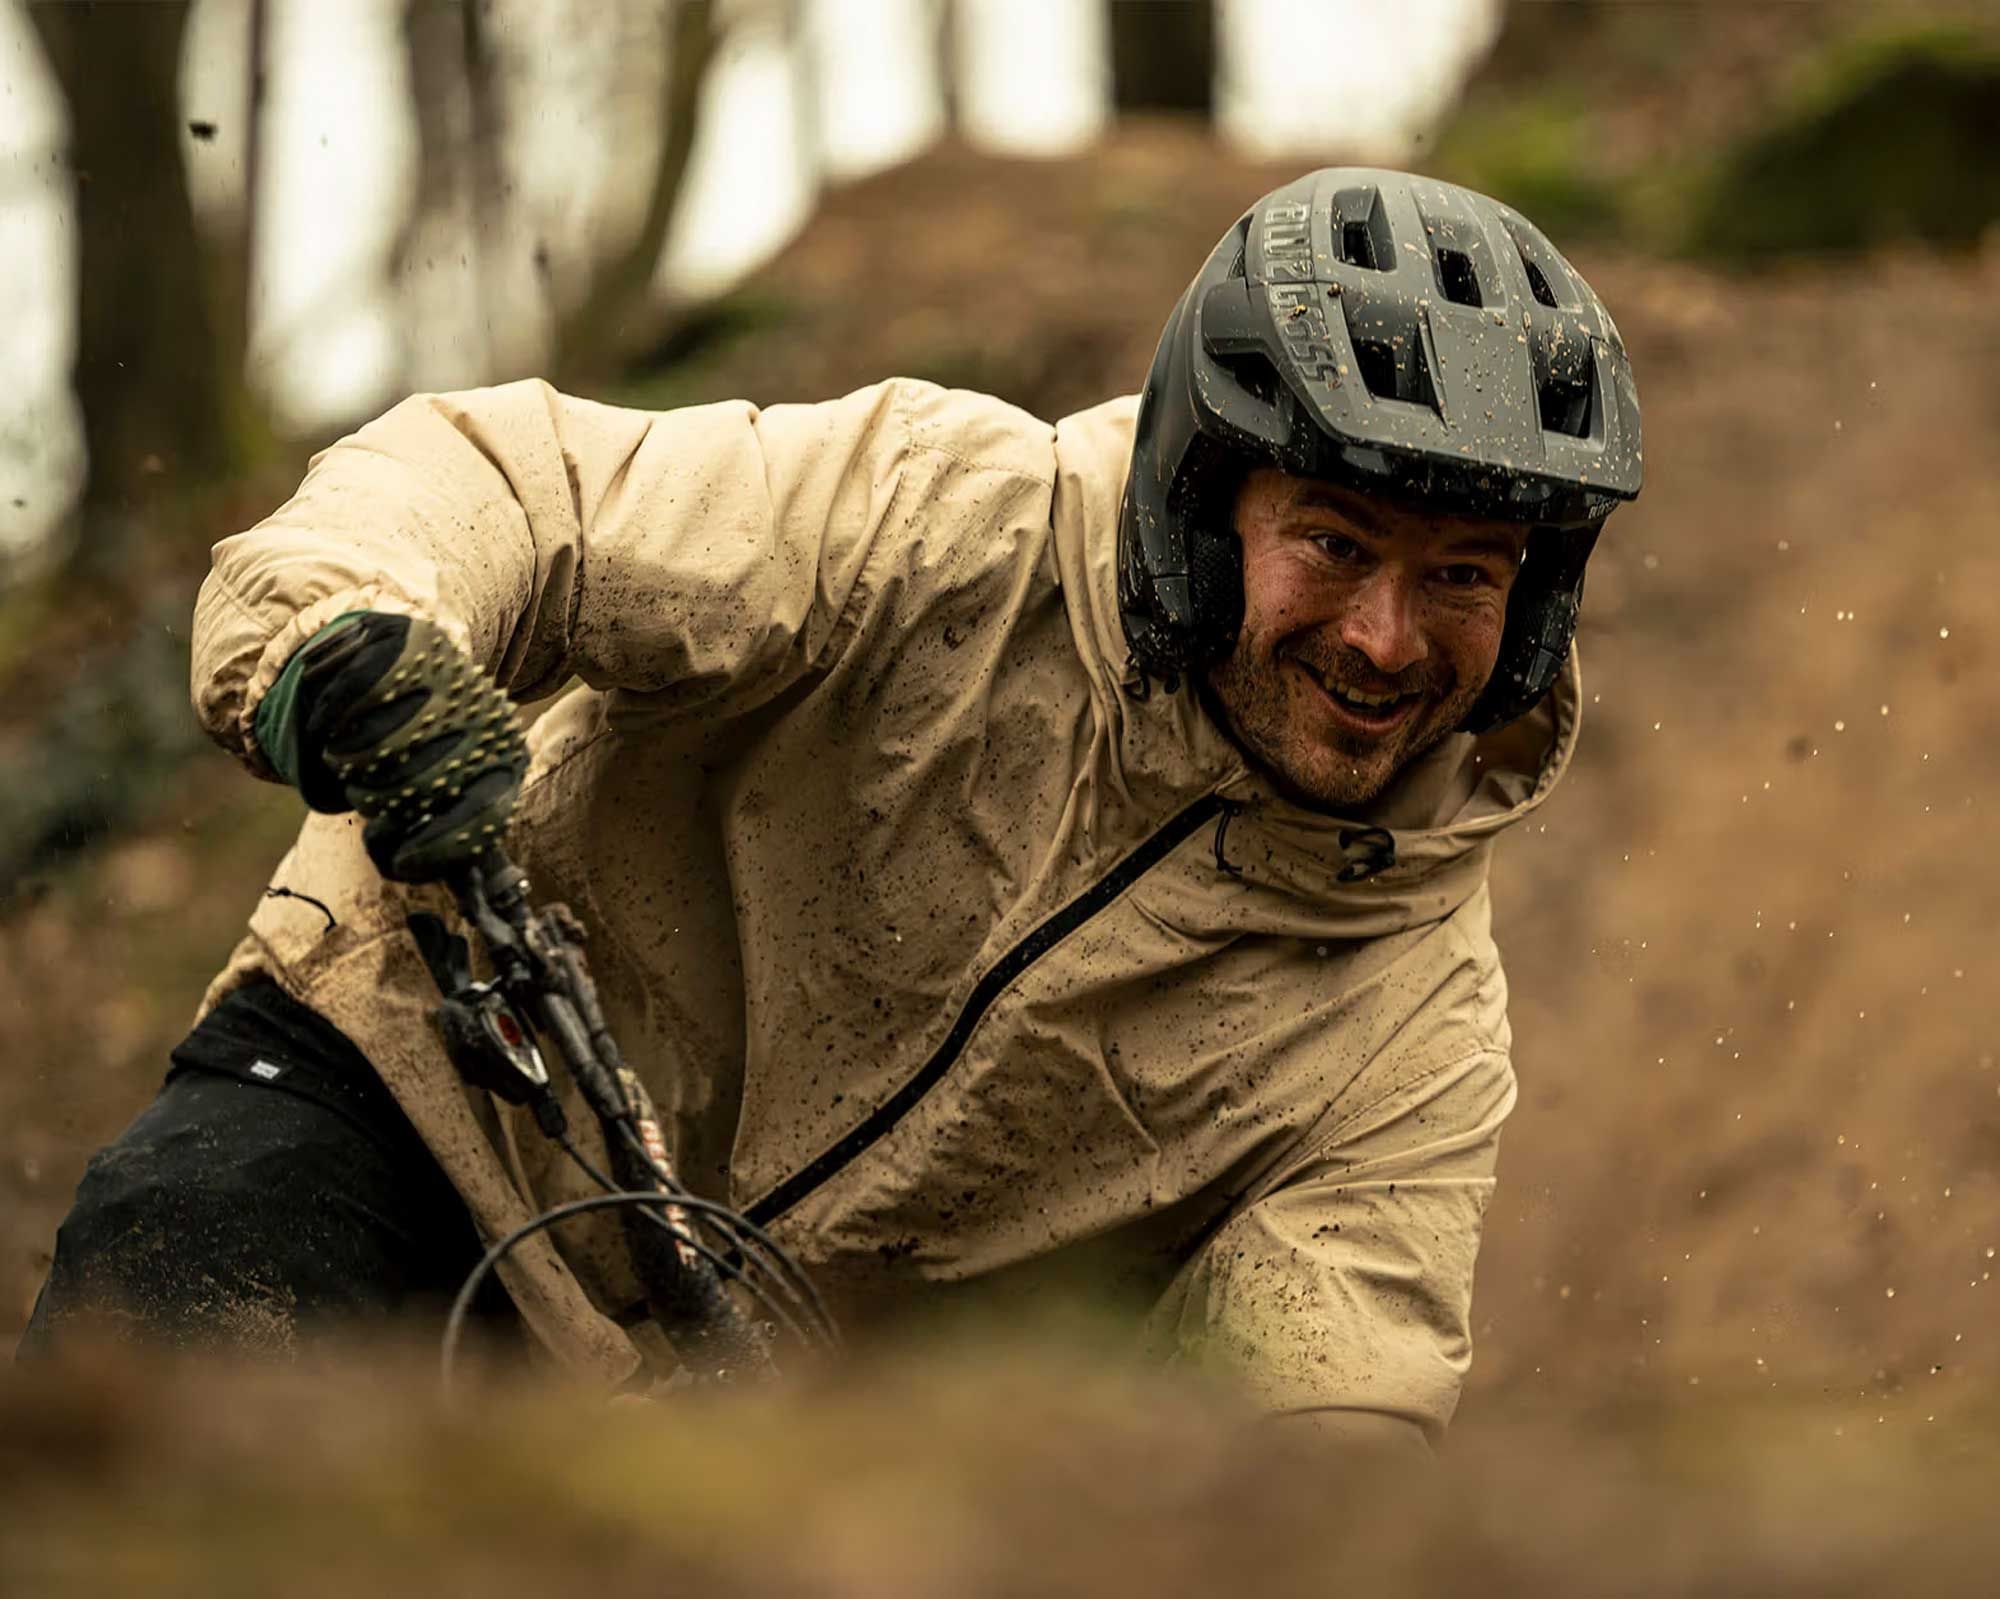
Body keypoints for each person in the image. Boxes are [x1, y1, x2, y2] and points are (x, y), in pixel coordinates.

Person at [24, 168, 1641, 1451]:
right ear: (1202, 505)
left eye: (1463, 577)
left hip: (732, 1431)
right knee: (167, 1455)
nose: (1385, 641)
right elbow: (523, 488)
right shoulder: (934, 520)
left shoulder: (1410, 1034)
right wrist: (342, 640)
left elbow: (1319, 1434)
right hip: (416, 1086)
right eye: (1336, 545)